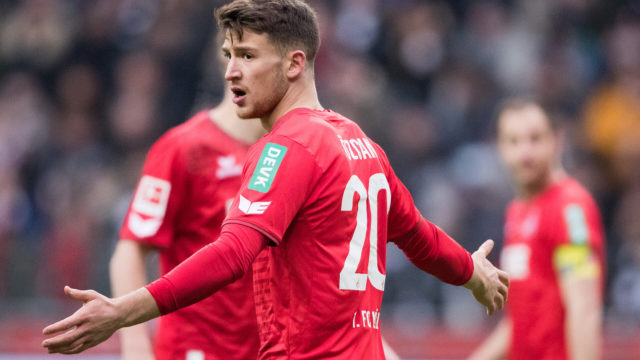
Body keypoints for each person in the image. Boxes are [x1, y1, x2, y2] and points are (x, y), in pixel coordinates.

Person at [42, 1, 509, 358]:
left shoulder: (285, 148)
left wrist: (121, 313)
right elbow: (419, 237)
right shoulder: (362, 143)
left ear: (293, 64)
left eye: (247, 55)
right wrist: (472, 274)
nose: (231, 71)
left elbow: (231, 255)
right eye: (228, 55)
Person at [110, 80, 265, 360]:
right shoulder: (184, 147)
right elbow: (130, 251)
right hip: (196, 350)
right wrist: (136, 349)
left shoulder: (289, 153)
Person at [469, 99, 606, 360]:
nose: (525, 153)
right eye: (513, 141)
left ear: (557, 139)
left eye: (535, 139)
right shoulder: (517, 212)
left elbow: (584, 309)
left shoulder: (570, 209)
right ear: (499, 148)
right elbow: (520, 320)